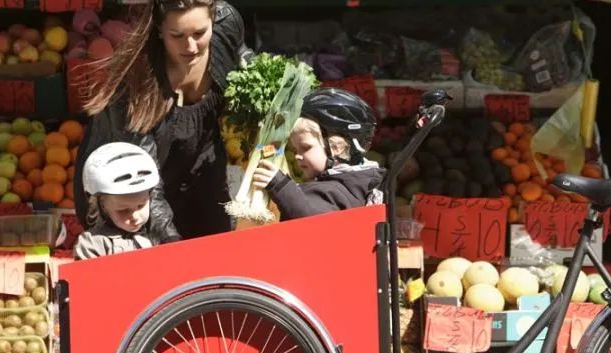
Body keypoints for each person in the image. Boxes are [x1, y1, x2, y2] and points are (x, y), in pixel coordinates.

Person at [75, 0, 252, 244]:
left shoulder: (227, 21)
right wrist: (173, 246)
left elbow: (241, 54)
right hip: (134, 193)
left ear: (213, 20)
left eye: (200, 33)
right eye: (177, 35)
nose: (190, 46)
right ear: (159, 29)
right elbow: (145, 187)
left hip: (203, 169)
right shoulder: (135, 86)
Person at [251, 88, 385, 220]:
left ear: (336, 147)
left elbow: (312, 219)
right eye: (296, 150)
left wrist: (281, 186)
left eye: (306, 147)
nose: (297, 156)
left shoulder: (335, 191)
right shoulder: (354, 182)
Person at [73, 142, 162, 260]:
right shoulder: (92, 243)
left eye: (141, 206)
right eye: (123, 210)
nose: (135, 216)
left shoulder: (151, 239)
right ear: (103, 206)